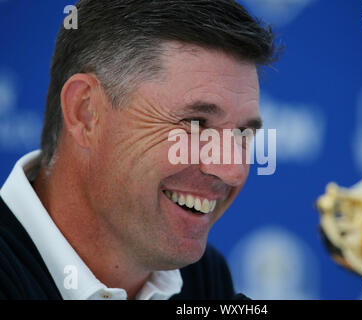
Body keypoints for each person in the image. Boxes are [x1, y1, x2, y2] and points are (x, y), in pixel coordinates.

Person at [0, 0, 278, 300]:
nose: (233, 171)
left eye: (242, 133)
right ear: (86, 113)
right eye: (197, 123)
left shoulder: (203, 278)